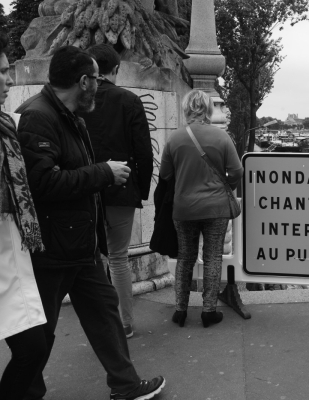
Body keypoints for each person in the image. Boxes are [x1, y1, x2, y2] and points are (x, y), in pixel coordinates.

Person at [16, 46, 164, 400]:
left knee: (105, 316)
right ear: (83, 81)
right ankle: (22, 392)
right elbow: (44, 183)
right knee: (39, 336)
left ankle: (126, 385)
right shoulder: (38, 117)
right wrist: (104, 173)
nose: (100, 85)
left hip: (78, 244)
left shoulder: (65, 114)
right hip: (54, 249)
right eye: (96, 79)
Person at [81, 44, 154, 339]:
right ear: (115, 69)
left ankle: (101, 321)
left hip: (85, 187)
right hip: (121, 188)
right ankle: (124, 322)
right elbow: (144, 152)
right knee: (119, 257)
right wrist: (142, 190)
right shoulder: (129, 100)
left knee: (94, 258)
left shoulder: (79, 101)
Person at [160, 89, 243, 328]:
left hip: (184, 207)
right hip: (216, 207)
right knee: (212, 256)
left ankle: (180, 310)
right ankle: (209, 311)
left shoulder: (175, 138)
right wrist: (226, 184)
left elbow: (165, 174)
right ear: (208, 110)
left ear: (186, 109)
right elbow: (237, 171)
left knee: (185, 257)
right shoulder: (221, 138)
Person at [0, 32, 48, 400]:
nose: (7, 80)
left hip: (12, 245)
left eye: (6, 72)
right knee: (32, 347)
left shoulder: (5, 125)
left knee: (32, 347)